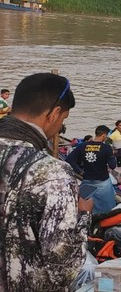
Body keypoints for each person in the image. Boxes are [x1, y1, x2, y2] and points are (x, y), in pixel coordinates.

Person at [0, 73, 91, 290]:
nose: (60, 127)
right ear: (54, 114)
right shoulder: (54, 173)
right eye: (63, 119)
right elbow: (64, 270)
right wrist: (84, 215)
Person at [67, 125, 117, 213]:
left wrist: (79, 171)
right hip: (103, 183)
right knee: (107, 209)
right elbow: (112, 165)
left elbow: (69, 160)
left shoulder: (82, 146)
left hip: (87, 181)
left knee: (85, 210)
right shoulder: (106, 148)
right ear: (104, 135)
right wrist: (112, 155)